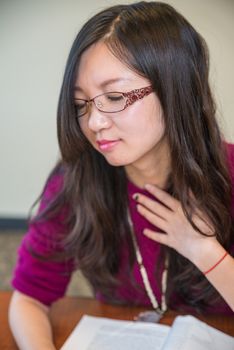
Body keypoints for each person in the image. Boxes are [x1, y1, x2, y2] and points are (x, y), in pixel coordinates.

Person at [9, 1, 234, 349]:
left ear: (174, 88)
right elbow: (27, 298)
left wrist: (202, 250)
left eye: (114, 97)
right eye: (81, 104)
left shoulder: (229, 173)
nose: (94, 122)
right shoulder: (77, 179)